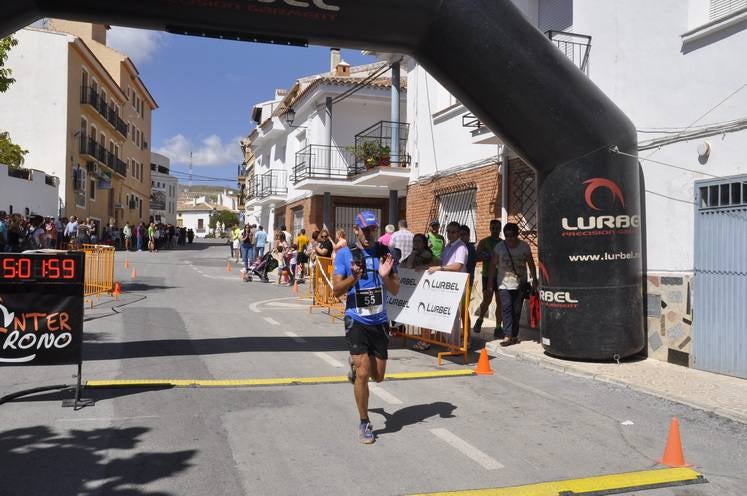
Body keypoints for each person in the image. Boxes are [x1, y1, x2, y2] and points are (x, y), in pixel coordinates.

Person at [332, 210, 400, 444]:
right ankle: (364, 422)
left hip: (379, 321)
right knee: (363, 374)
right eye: (365, 230)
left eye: (373, 229)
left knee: (378, 377)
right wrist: (354, 278)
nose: (370, 234)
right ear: (355, 230)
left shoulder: (385, 254)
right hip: (356, 319)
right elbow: (336, 290)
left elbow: (395, 289)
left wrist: (384, 276)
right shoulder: (344, 255)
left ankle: (356, 364)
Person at [487, 223, 538, 346]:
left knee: (516, 310)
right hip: (503, 284)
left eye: (512, 235)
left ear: (517, 234)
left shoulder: (524, 247)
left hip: (520, 284)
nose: (510, 238)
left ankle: (514, 335)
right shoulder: (499, 247)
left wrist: (535, 280)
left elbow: (530, 263)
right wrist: (490, 282)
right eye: (507, 235)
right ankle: (507, 335)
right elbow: (493, 265)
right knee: (506, 308)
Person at [428, 221, 469, 347]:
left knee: (454, 315)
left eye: (453, 232)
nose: (450, 234)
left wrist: (439, 268)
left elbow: (458, 265)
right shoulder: (448, 246)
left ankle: (455, 345)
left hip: (456, 285)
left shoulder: (461, 247)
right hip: (446, 285)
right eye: (449, 232)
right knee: (445, 313)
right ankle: (448, 341)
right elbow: (443, 261)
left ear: (458, 233)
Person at [473, 219, 503, 338]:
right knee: (487, 300)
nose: (495, 230)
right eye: (493, 228)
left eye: (497, 228)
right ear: (490, 229)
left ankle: (498, 327)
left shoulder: (503, 243)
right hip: (487, 275)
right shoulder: (484, 242)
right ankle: (480, 319)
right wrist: (484, 256)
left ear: (500, 229)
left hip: (500, 276)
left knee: (500, 302)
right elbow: (477, 257)